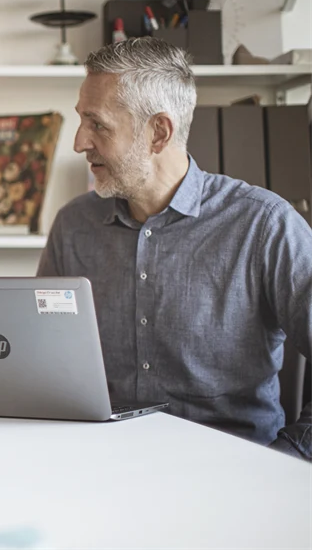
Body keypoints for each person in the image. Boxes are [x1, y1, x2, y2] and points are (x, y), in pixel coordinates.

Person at [37, 37, 311, 460]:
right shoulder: (73, 226)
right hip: (99, 470)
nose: (78, 142)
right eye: (81, 121)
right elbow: (42, 361)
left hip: (233, 478)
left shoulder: (265, 225)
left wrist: (287, 458)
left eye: (98, 124)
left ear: (158, 132)